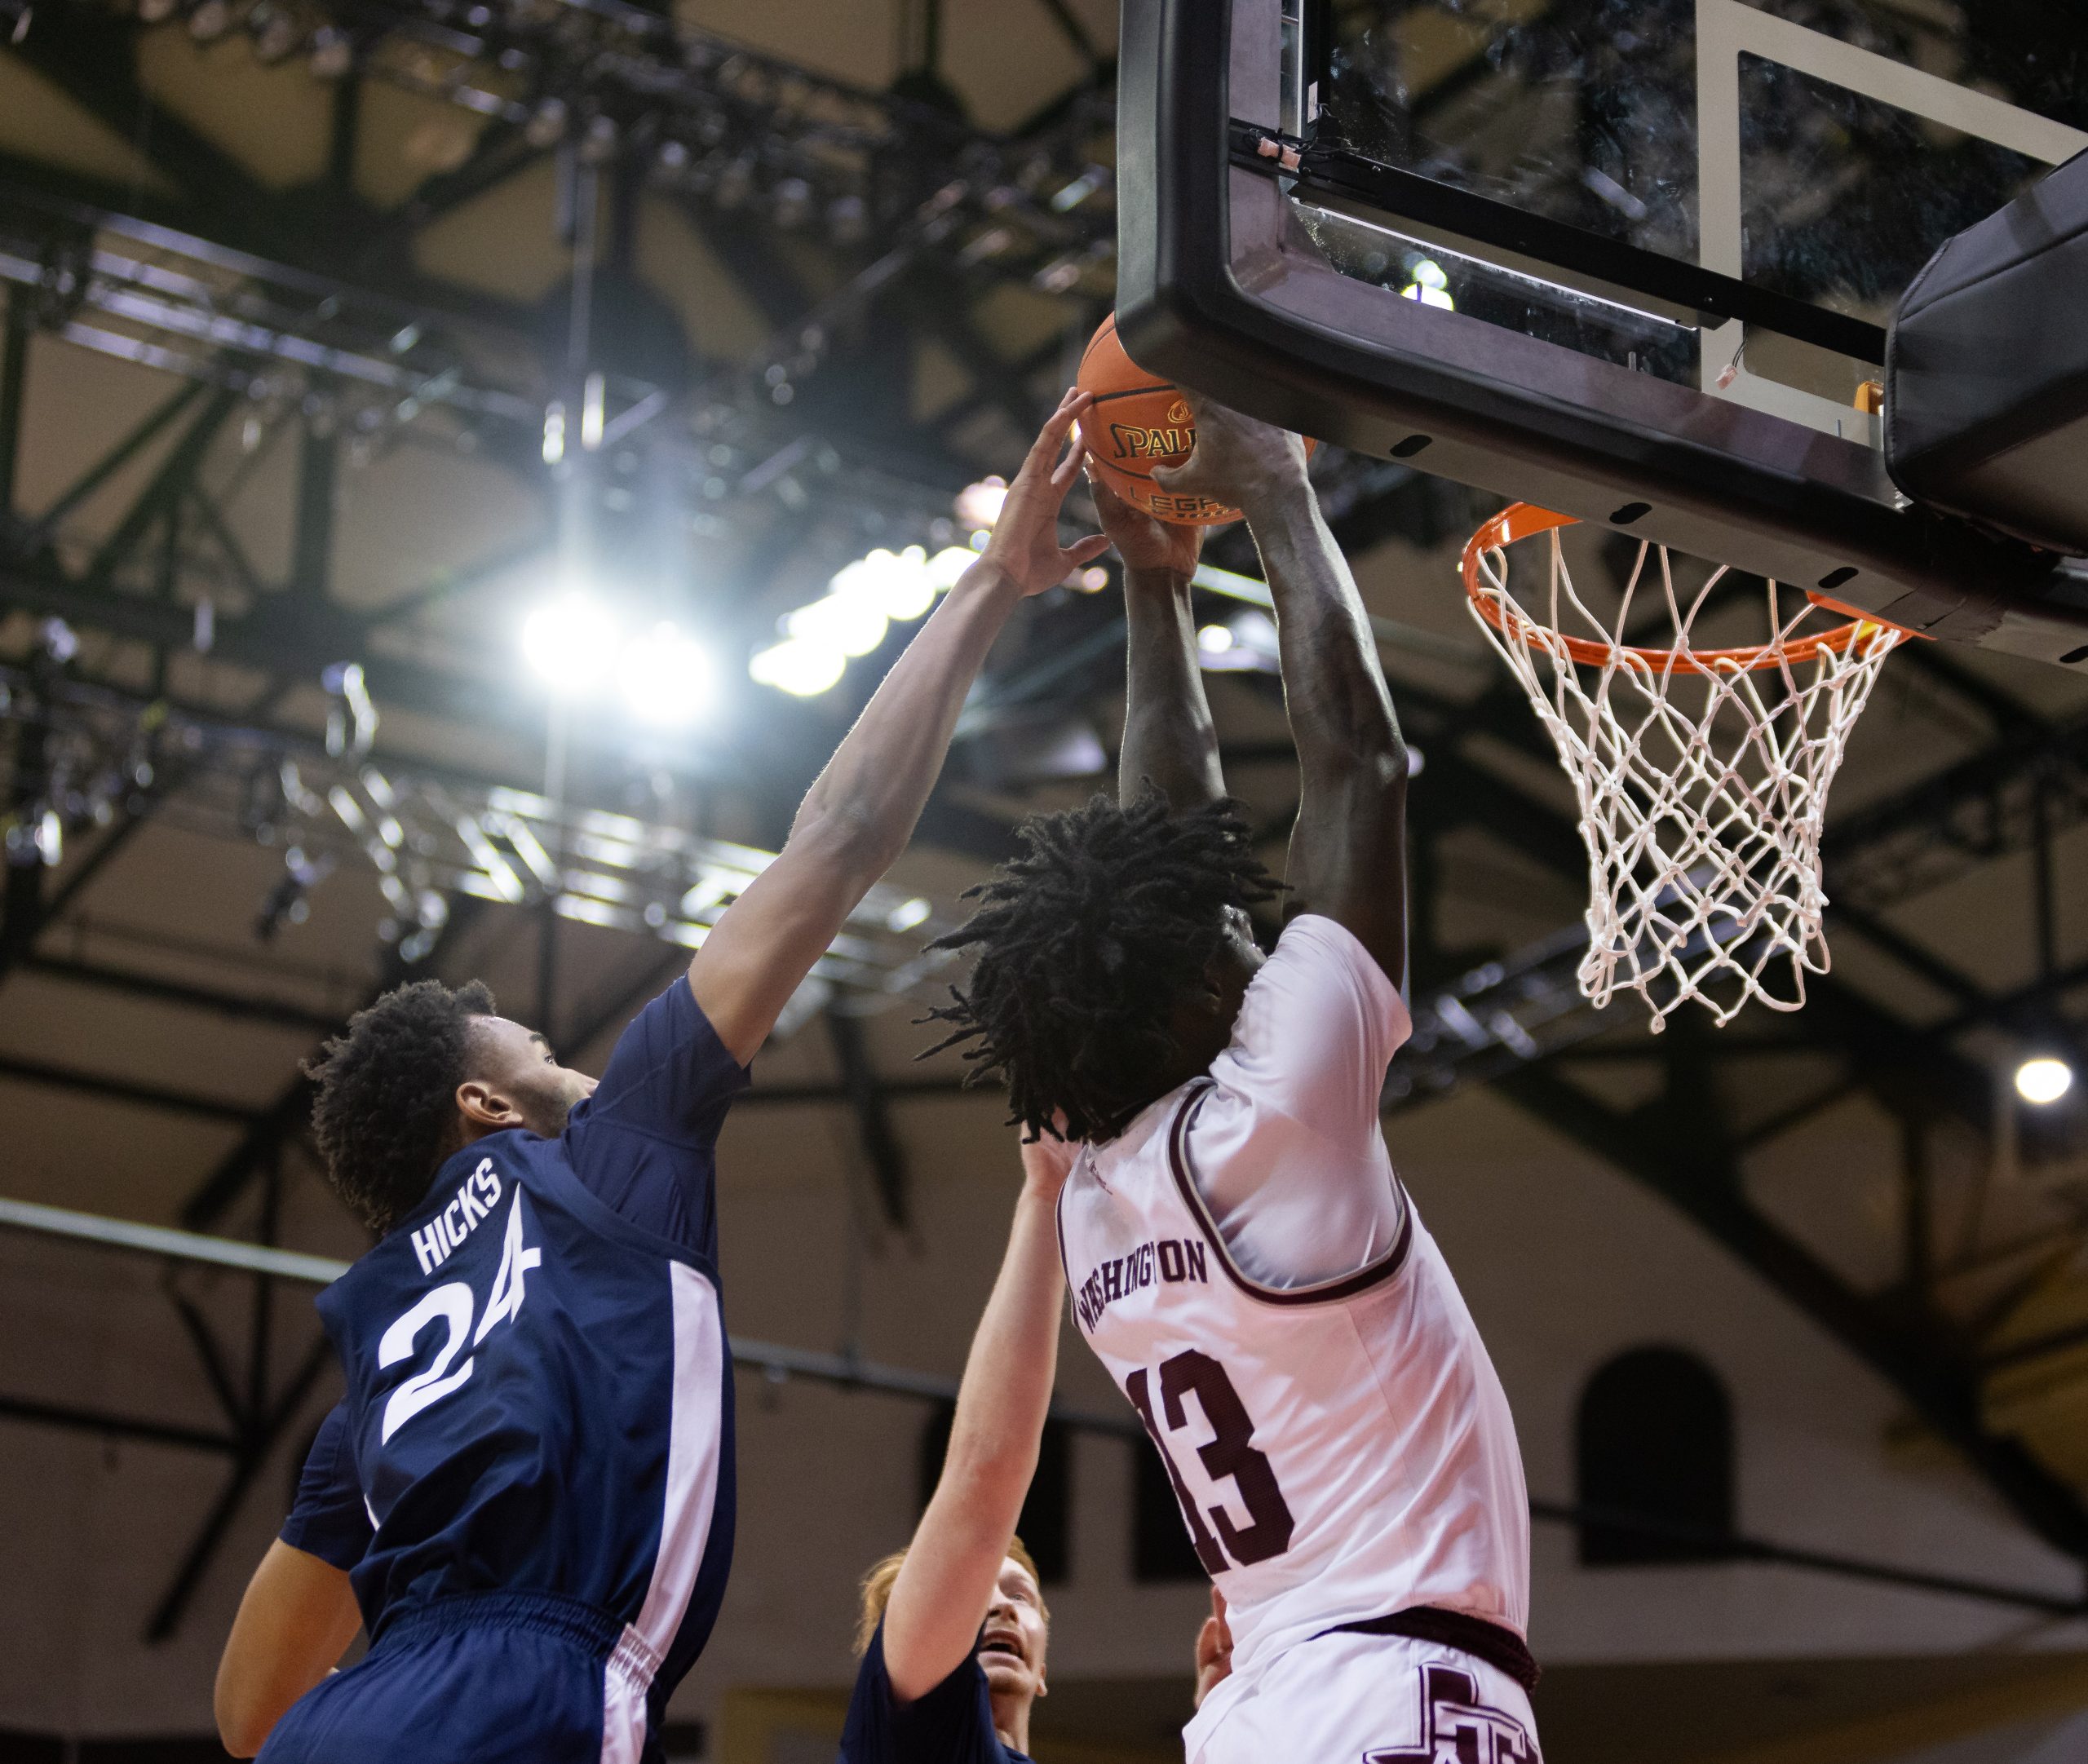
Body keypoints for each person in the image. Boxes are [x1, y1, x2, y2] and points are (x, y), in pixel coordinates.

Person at [211, 391, 1110, 1764]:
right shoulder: (615, 1148)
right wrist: (993, 582)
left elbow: (247, 1712)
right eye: (523, 1040)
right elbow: (841, 836)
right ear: (485, 1104)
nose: (559, 1047)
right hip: (524, 1694)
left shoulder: (382, 1376)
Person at [922, 398, 1538, 1763]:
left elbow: (1169, 846)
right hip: (1389, 1690)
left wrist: (1159, 584)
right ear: (1199, 998)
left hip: (1263, 1702)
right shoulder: (1277, 1119)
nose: (1257, 931)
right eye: (1234, 939)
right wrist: (1278, 497)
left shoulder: (1099, 1194)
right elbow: (1362, 767)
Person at [838, 1133, 1073, 1764]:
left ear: (1045, 1663)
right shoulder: (912, 1734)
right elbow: (981, 1480)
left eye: (1020, 1596)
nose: (999, 1605)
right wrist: (1048, 1190)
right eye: (979, 1593)